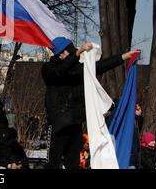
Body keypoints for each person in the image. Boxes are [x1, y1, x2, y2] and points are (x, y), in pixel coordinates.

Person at [41, 37, 138, 169]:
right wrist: (77, 53)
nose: (66, 55)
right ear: (59, 54)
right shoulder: (49, 69)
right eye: (64, 53)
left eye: (69, 52)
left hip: (75, 124)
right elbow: (60, 71)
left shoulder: (78, 70)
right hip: (58, 126)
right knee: (52, 163)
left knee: (73, 163)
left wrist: (122, 57)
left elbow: (99, 66)